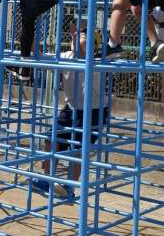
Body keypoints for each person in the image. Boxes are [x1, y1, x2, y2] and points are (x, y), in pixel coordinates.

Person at [31, 21, 107, 199]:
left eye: (83, 36)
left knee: (78, 149)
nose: (77, 37)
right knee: (52, 139)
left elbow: (84, 53)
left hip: (93, 111)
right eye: (76, 35)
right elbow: (41, 58)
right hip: (71, 107)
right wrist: (30, 35)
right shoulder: (66, 56)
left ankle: (69, 187)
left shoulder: (98, 60)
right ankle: (47, 180)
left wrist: (78, 38)